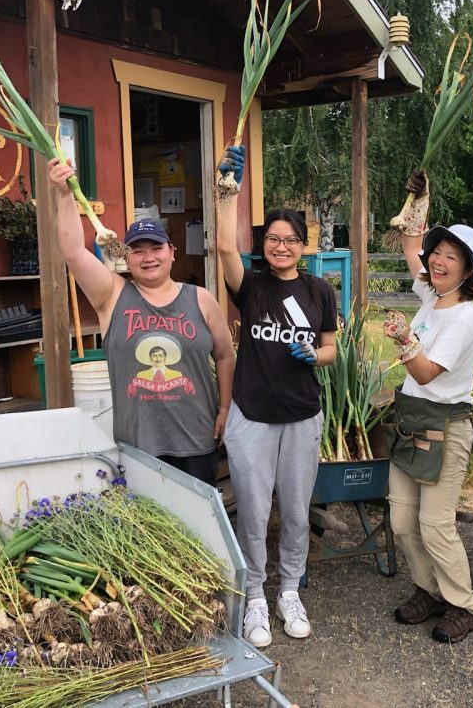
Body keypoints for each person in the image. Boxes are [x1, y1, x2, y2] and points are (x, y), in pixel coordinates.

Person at [215, 145, 338, 648]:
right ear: (263, 245)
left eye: (289, 240)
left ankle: (290, 590)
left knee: (294, 507)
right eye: (272, 239)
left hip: (301, 415)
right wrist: (228, 192)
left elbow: (332, 350)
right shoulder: (253, 286)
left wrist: (313, 354)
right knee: (250, 504)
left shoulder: (320, 292)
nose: (280, 247)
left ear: (303, 247)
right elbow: (224, 249)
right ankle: (255, 598)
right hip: (252, 416)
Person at [47, 158, 235, 486]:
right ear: (126, 257)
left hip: (196, 440)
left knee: (196, 532)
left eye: (156, 248)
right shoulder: (112, 296)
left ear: (172, 252)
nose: (148, 257)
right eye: (138, 250)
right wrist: (65, 195)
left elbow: (225, 355)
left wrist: (225, 408)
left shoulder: (201, 299)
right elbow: (74, 252)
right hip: (138, 446)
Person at [381, 170, 473, 644]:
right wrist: (418, 202)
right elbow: (411, 247)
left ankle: (464, 604)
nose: (440, 261)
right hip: (411, 422)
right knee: (403, 522)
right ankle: (429, 590)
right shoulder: (433, 295)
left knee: (436, 524)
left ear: (469, 271)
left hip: (446, 427)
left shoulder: (466, 315)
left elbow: (425, 373)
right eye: (438, 253)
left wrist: (404, 338)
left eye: (453, 257)